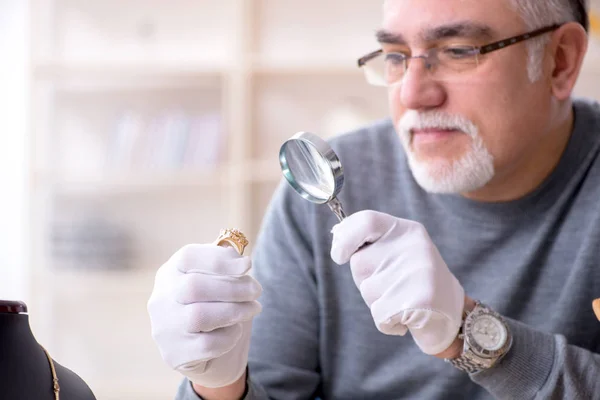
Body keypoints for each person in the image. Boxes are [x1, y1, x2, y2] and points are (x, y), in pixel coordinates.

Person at [147, 0, 600, 398]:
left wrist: (472, 335)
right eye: (395, 57)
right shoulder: (325, 187)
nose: (413, 94)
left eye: (459, 51)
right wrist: (219, 387)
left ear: (560, 61)